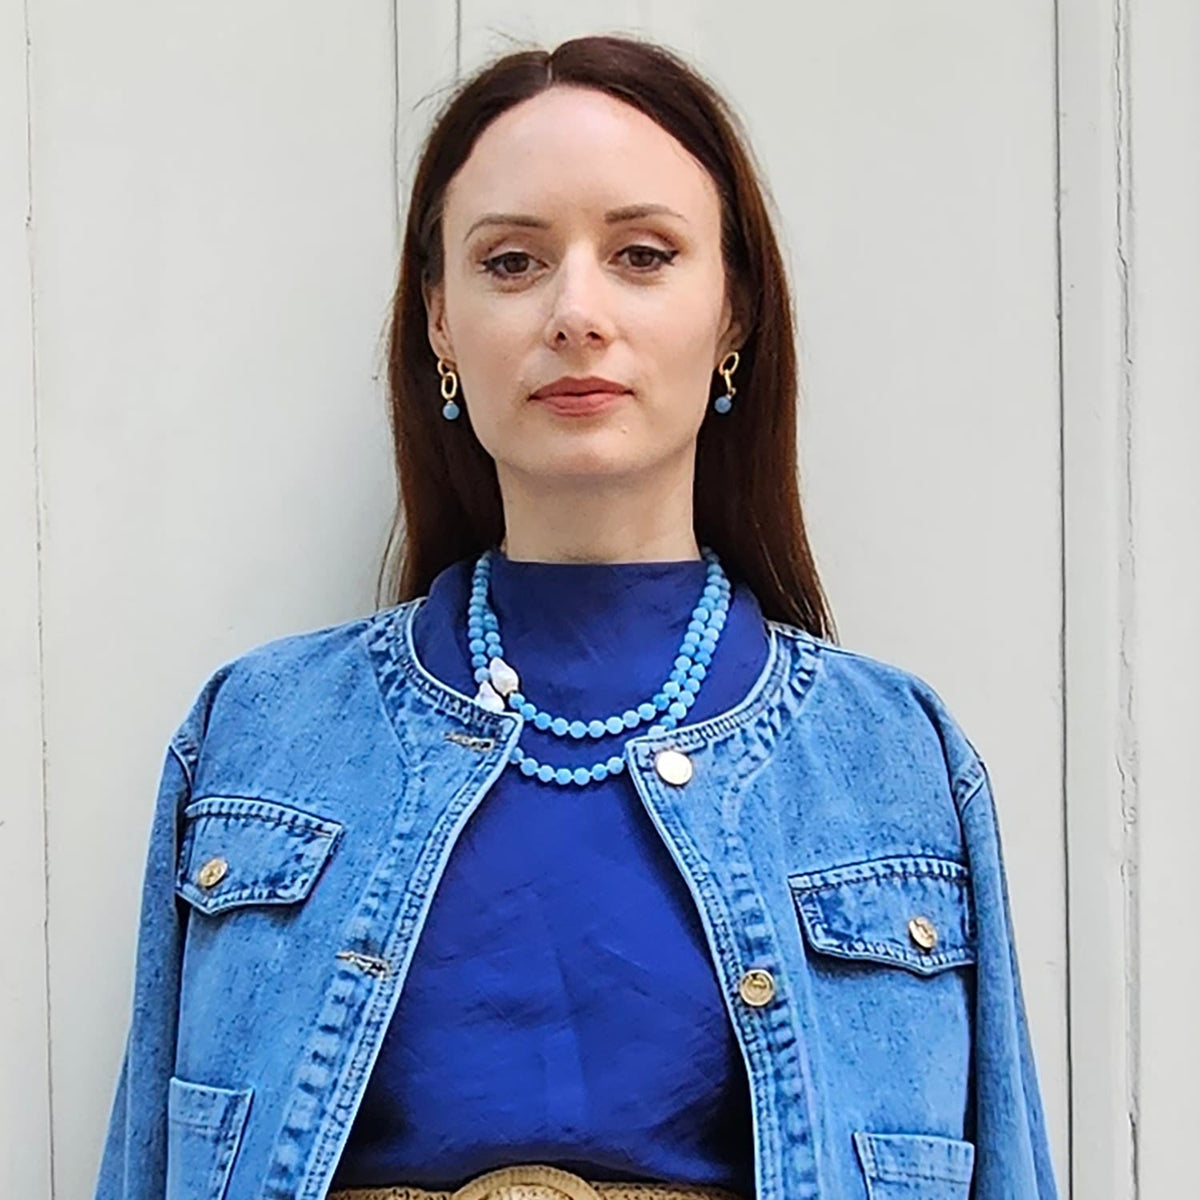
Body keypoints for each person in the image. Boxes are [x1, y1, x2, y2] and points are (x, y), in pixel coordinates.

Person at [93, 33, 1059, 1200]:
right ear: (439, 322)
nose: (576, 312)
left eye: (644, 255)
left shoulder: (897, 761)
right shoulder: (258, 734)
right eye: (512, 262)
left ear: (734, 313)